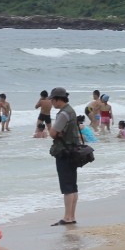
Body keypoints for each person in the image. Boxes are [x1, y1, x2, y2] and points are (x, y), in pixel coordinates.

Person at [47, 87, 82, 226]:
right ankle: (71, 216)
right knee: (73, 185)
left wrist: (51, 128)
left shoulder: (63, 114)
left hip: (64, 152)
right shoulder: (71, 111)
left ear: (57, 99)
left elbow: (53, 133)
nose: (52, 102)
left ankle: (67, 218)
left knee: (67, 187)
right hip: (73, 151)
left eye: (52, 100)